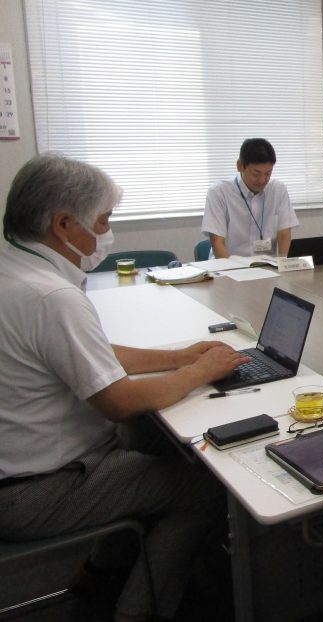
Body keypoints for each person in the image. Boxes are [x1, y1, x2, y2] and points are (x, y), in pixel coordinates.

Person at [0, 154, 250, 622]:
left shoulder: (15, 270)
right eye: (103, 220)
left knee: (151, 438)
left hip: (22, 471)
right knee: (201, 487)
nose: (107, 231)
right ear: (63, 224)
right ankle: (136, 612)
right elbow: (119, 401)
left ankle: (100, 572)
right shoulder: (52, 297)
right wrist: (201, 371)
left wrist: (181, 357)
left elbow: (92, 351)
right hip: (34, 491)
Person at [201, 138, 298, 258]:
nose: (262, 180)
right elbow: (217, 242)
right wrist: (233, 269)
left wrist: (282, 263)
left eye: (268, 174)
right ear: (240, 166)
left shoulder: (278, 190)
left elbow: (284, 233)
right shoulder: (219, 193)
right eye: (256, 174)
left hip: (266, 265)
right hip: (228, 265)